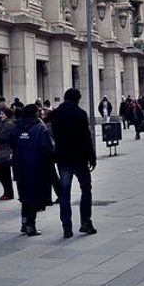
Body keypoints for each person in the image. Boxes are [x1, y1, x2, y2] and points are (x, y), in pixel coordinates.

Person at [48, 87, 97, 238]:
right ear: (77, 99)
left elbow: (49, 132)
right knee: (86, 189)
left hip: (63, 158)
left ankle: (66, 227)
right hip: (79, 157)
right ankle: (85, 222)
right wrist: (92, 157)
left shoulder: (55, 114)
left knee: (64, 192)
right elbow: (86, 138)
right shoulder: (80, 114)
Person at [12, 102, 55, 237]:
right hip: (36, 166)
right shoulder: (40, 128)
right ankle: (31, 225)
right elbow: (46, 148)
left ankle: (24, 222)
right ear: (35, 113)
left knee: (24, 194)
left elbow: (12, 143)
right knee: (34, 196)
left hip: (19, 165)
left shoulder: (17, 127)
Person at [0, 104, 18, 201]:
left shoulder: (9, 125)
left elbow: (1, 137)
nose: (0, 115)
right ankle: (7, 192)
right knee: (0, 171)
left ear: (6, 114)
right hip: (1, 150)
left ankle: (8, 192)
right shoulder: (2, 124)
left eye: (2, 114)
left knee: (3, 172)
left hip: (6, 151)